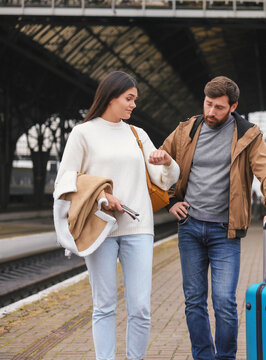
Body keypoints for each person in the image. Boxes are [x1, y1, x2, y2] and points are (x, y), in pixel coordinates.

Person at [55, 71, 180, 360]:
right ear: (111, 97)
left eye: (134, 99)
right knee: (104, 305)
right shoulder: (82, 133)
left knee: (140, 307)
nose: (134, 105)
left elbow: (165, 180)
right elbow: (66, 180)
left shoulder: (138, 135)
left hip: (138, 228)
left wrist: (167, 161)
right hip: (99, 228)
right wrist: (101, 196)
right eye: (129, 98)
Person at [160, 76, 266, 360]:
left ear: (233, 107)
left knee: (224, 302)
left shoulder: (248, 135)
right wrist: (171, 201)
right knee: (194, 301)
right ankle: (203, 356)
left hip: (224, 232)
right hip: (189, 227)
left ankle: (226, 357)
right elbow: (160, 163)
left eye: (219, 107)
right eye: (208, 104)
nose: (211, 112)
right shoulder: (186, 130)